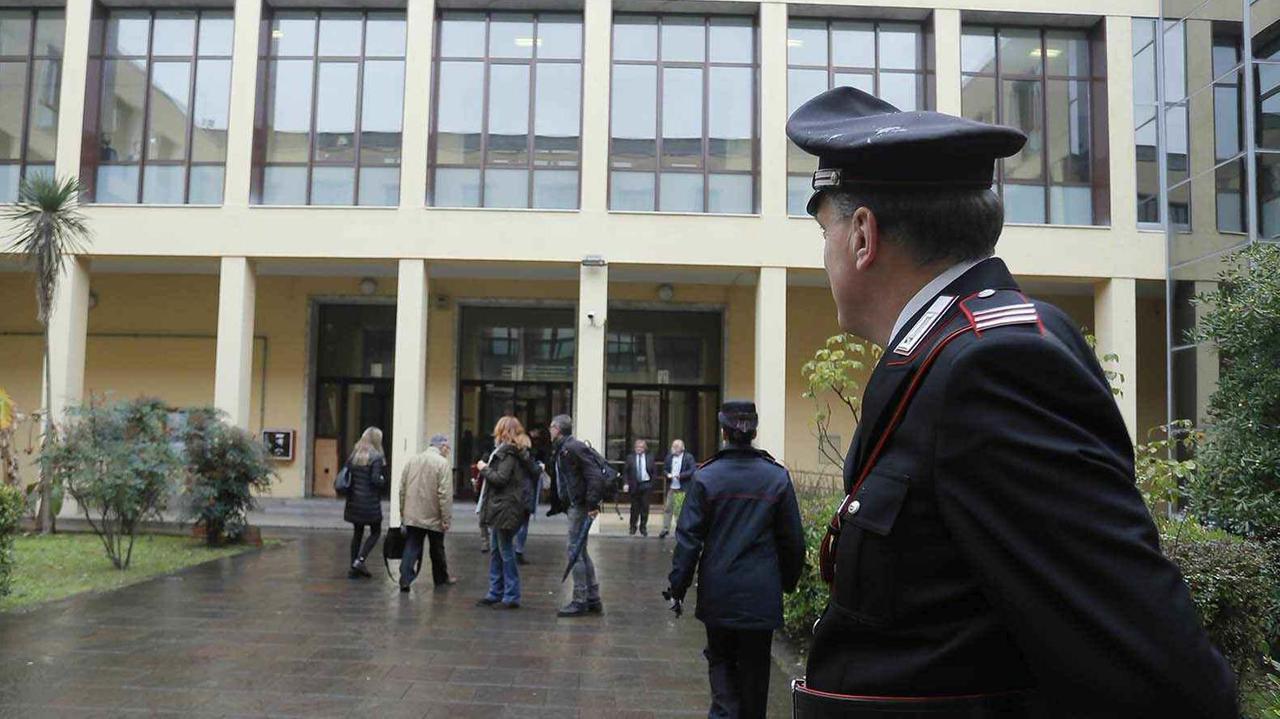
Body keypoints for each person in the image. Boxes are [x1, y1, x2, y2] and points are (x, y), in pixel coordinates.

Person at [785, 86, 1237, 717]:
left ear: (863, 235)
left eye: (824, 228)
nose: (824, 253)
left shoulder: (992, 366)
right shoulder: (947, 351)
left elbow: (1151, 664)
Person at [666, 401, 804, 719]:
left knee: (722, 665)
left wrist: (678, 586)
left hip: (719, 592)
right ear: (753, 432)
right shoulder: (777, 478)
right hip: (761, 594)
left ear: (724, 431)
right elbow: (792, 542)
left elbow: (688, 539)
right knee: (756, 675)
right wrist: (787, 582)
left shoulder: (706, 478)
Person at [474, 417, 538, 610]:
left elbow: (501, 479)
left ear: (502, 431)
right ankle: (495, 592)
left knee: (505, 552)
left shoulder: (508, 454)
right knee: (497, 551)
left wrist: (484, 469)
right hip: (503, 507)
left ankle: (510, 595)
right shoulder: (514, 452)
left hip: (505, 508)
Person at [549, 414, 605, 617]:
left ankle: (580, 599)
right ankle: (593, 598)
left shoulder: (573, 447)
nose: (549, 431)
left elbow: (595, 475)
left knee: (574, 551)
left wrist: (591, 504)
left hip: (580, 506)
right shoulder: (564, 448)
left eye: (551, 427)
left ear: (557, 429)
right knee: (581, 551)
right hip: (575, 505)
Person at [397, 432, 457, 592]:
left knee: (412, 546)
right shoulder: (442, 464)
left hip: (412, 514)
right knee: (437, 547)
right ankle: (441, 578)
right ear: (442, 446)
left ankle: (405, 578)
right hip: (433, 514)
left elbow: (402, 488)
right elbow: (444, 494)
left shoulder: (413, 460)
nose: (448, 451)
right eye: (447, 448)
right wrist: (446, 518)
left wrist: (402, 512)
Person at [343, 427, 385, 579]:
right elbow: (375, 480)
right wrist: (382, 480)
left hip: (354, 502)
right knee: (376, 532)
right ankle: (360, 560)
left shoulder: (354, 455)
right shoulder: (376, 457)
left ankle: (353, 568)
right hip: (370, 503)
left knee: (357, 534)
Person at [513, 426, 548, 564]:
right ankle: (518, 552)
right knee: (523, 524)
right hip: (525, 493)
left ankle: (513, 550)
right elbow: (534, 470)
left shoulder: (512, 456)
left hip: (515, 494)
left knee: (516, 523)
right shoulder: (526, 456)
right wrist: (541, 467)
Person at [658, 439, 695, 539]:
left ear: (682, 448)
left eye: (676, 446)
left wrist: (681, 476)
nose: (674, 448)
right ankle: (665, 529)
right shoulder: (669, 457)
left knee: (679, 510)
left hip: (682, 487)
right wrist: (667, 475)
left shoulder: (688, 457)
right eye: (673, 446)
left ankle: (680, 530)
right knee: (667, 508)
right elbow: (664, 469)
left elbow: (692, 470)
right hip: (672, 487)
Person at [622, 439, 656, 536]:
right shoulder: (630, 458)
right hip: (634, 485)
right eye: (637, 447)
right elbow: (625, 472)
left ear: (644, 448)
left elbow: (654, 472)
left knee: (645, 507)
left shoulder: (650, 457)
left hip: (646, 484)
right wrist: (625, 483)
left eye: (641, 447)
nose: (639, 449)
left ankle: (643, 527)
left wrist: (652, 484)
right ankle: (633, 527)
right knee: (634, 508)